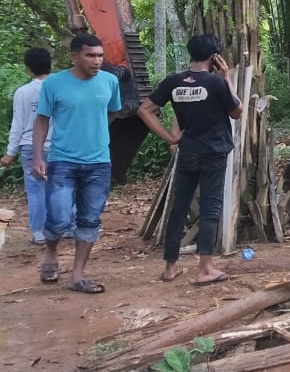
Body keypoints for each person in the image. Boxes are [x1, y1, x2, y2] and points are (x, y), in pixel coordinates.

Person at [139, 34, 242, 286]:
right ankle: (205, 268)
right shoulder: (216, 82)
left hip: (187, 151)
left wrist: (170, 137)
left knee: (179, 206)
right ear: (215, 57)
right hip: (213, 152)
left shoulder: (173, 82)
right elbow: (237, 111)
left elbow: (144, 110)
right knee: (210, 206)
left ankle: (170, 267)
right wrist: (227, 77)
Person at [32, 34, 122, 293]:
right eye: (90, 55)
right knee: (58, 218)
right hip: (62, 160)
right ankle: (51, 254)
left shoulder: (110, 81)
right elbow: (42, 120)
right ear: (74, 57)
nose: (97, 61)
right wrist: (37, 156)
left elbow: (112, 111)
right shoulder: (54, 83)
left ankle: (78, 275)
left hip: (99, 162)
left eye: (100, 56)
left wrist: (95, 132)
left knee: (89, 219)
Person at [2, 47, 53, 245]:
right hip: (58, 146)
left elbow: (18, 124)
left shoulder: (23, 92)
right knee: (62, 186)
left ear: (28, 69)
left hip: (31, 147)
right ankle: (66, 227)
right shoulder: (59, 88)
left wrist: (10, 152)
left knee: (35, 189)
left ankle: (39, 232)